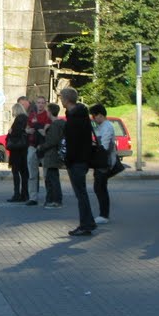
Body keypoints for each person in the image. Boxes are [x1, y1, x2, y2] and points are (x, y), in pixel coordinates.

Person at [60, 87, 97, 236]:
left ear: (67, 100)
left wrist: (68, 160)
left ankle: (86, 224)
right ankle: (88, 222)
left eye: (62, 97)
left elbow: (74, 143)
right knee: (81, 193)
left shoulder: (75, 119)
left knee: (81, 194)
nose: (61, 100)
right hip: (81, 159)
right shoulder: (80, 115)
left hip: (77, 160)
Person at [90, 103, 117, 224]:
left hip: (104, 162)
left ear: (100, 115)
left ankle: (104, 214)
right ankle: (103, 213)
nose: (93, 119)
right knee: (98, 187)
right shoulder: (101, 126)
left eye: (94, 116)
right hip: (100, 161)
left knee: (100, 187)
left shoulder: (107, 127)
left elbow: (104, 146)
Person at [38, 102, 65, 208]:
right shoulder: (61, 124)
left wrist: (42, 146)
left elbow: (52, 141)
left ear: (50, 112)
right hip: (56, 154)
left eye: (47, 111)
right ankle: (54, 199)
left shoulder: (55, 125)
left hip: (52, 154)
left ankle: (56, 200)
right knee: (53, 177)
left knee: (52, 179)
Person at [25, 96, 51, 206]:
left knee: (46, 173)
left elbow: (45, 131)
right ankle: (33, 197)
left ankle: (49, 197)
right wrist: (28, 130)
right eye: (38, 102)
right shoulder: (31, 116)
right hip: (32, 145)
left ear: (45, 104)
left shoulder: (47, 116)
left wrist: (37, 126)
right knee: (32, 173)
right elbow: (26, 128)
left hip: (43, 146)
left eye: (42, 103)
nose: (40, 105)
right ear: (35, 104)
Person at [6, 113, 29, 202]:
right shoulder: (25, 132)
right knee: (24, 175)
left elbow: (8, 142)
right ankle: (25, 194)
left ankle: (16, 194)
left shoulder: (13, 131)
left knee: (16, 174)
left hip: (15, 155)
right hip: (24, 154)